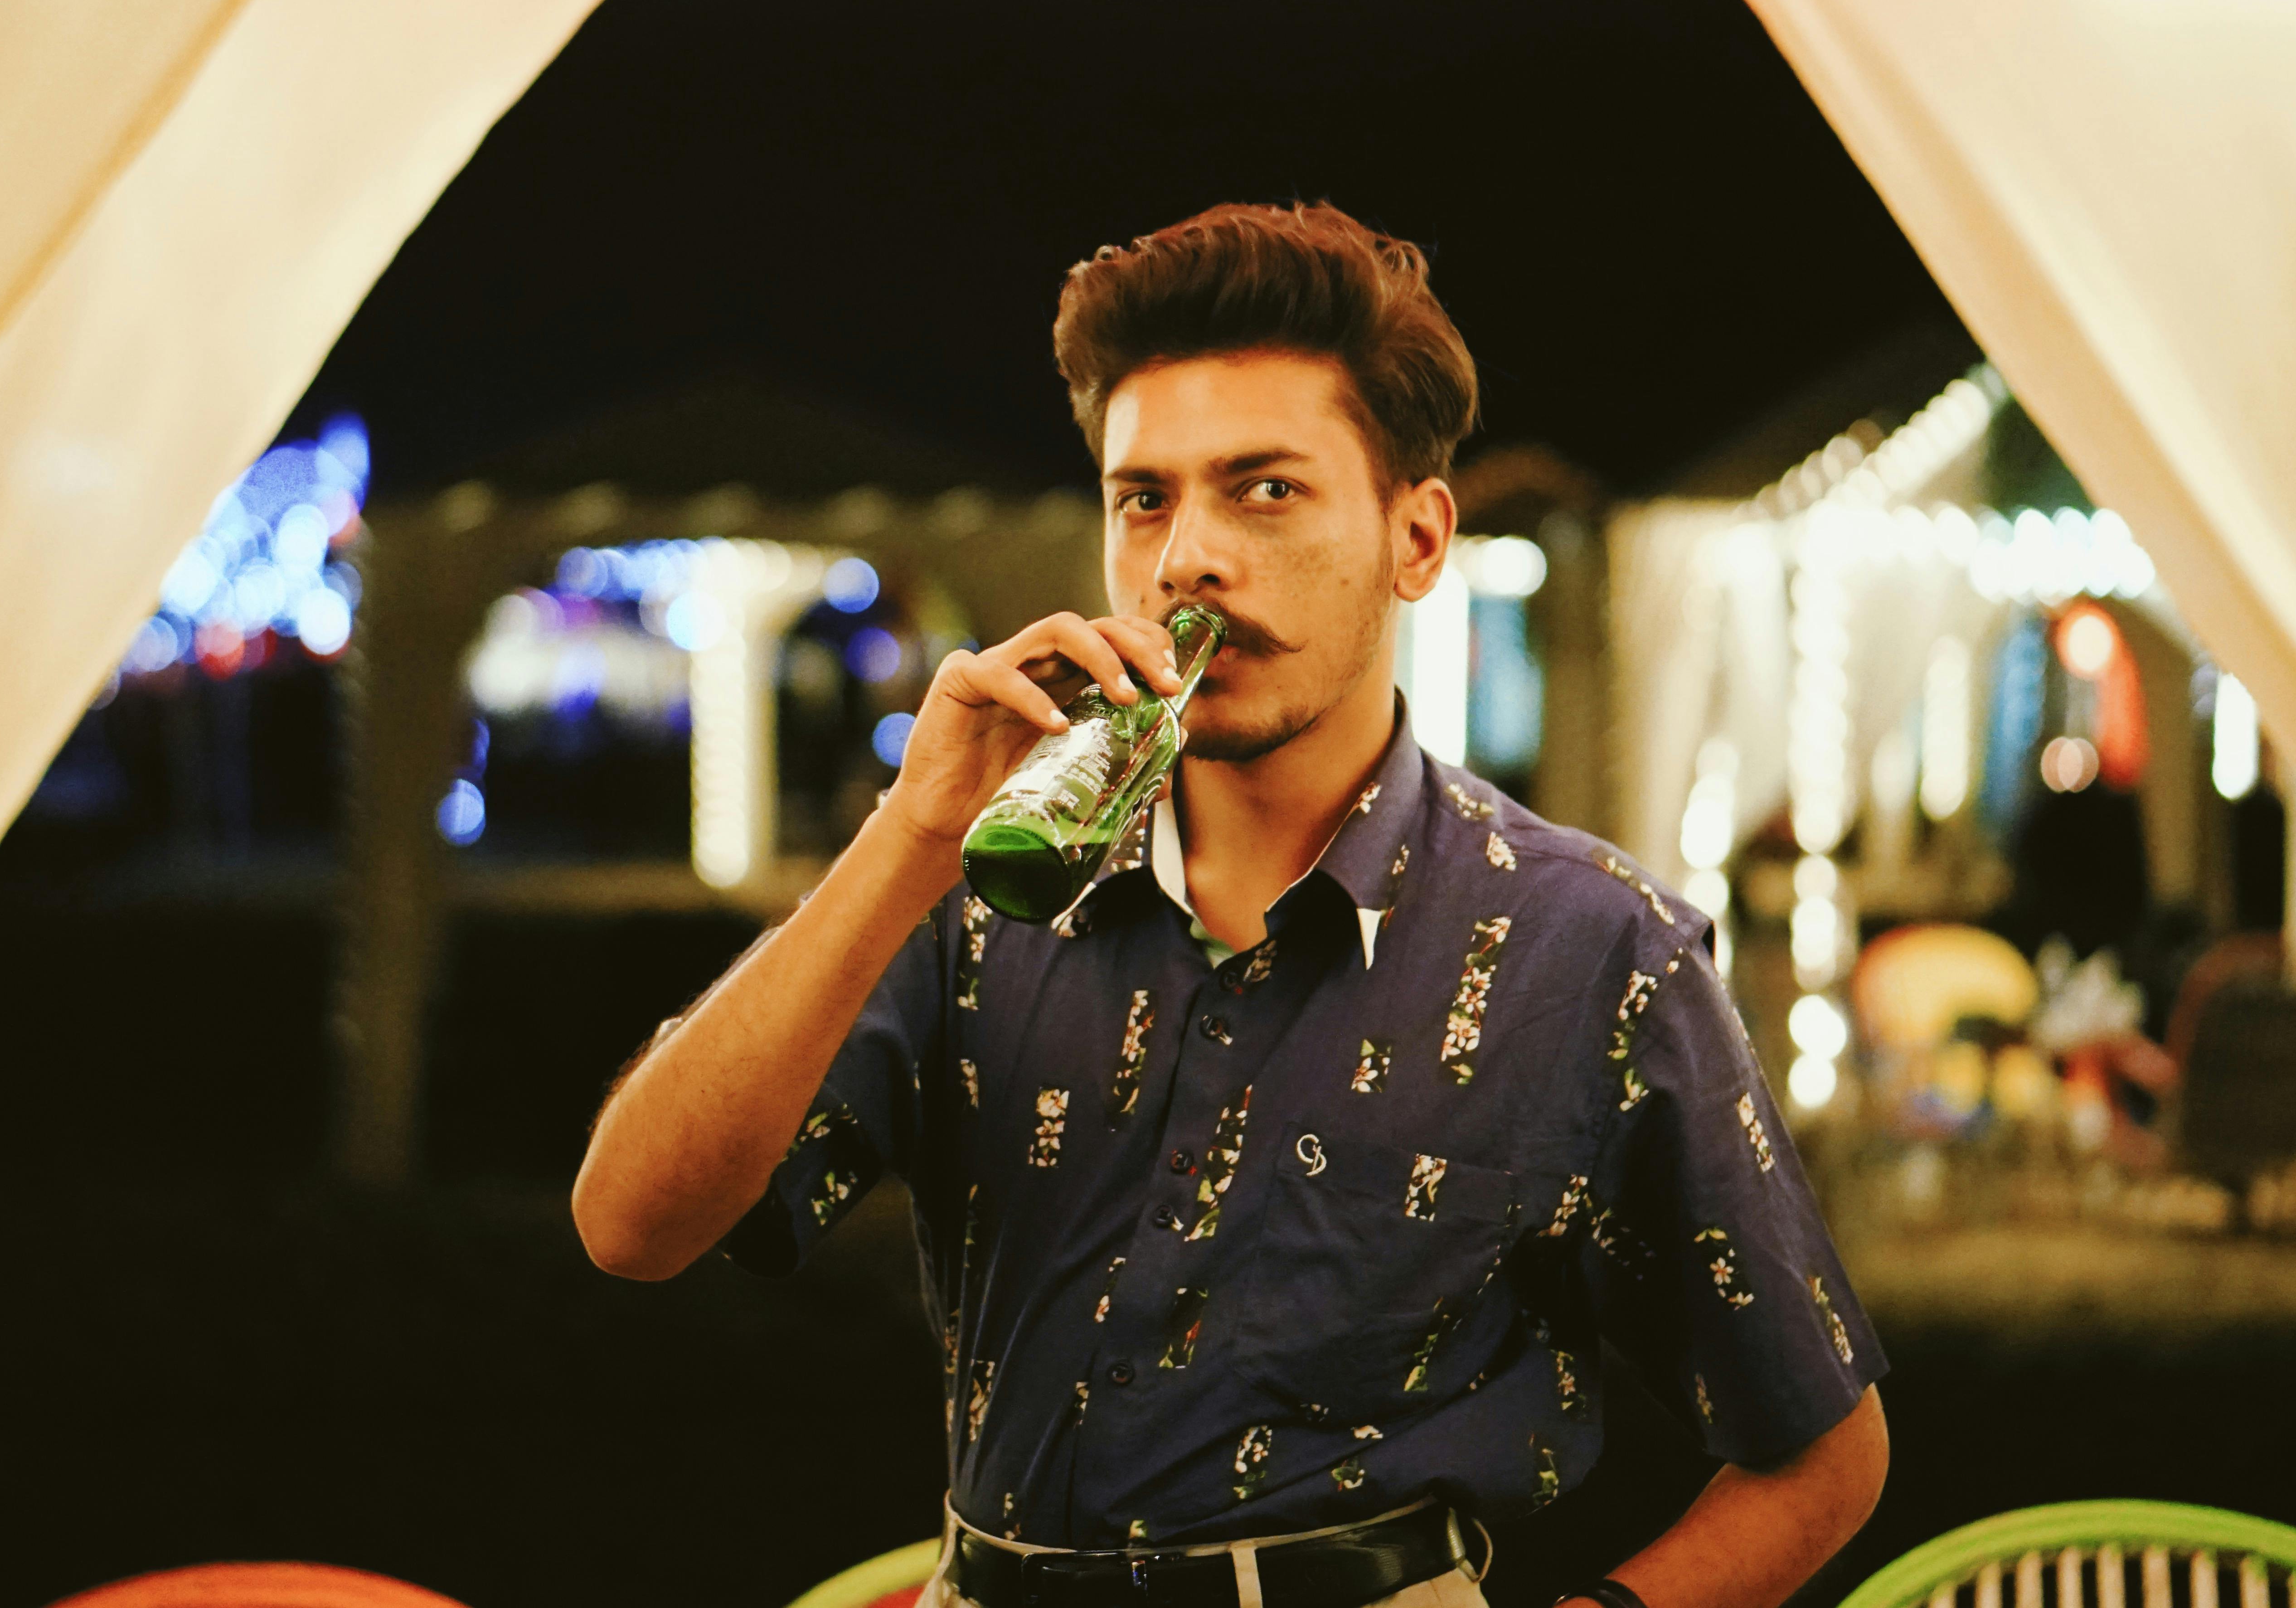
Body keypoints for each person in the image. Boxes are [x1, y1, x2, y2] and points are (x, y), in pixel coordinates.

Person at [575, 203, 1888, 1608]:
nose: (1186, 556)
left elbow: (1824, 1452)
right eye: (1145, 498)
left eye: (1265, 489)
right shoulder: (973, 898)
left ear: (1418, 538)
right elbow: (633, 1227)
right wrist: (908, 839)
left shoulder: (1586, 948)